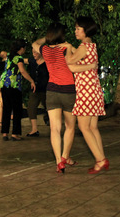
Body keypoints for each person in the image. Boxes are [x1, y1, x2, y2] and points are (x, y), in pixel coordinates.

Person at [32, 23, 79, 173]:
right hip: (68, 91)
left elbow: (35, 44)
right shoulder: (67, 47)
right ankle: (65, 156)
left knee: (55, 129)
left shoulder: (44, 49)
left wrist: (46, 40)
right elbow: (80, 57)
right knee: (70, 126)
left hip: (51, 91)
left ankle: (59, 161)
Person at [65, 16, 108, 173]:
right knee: (93, 127)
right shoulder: (91, 46)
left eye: (78, 28)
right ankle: (101, 158)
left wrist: (68, 48)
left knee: (84, 127)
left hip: (86, 91)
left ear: (85, 30)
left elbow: (70, 62)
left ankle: (101, 160)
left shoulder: (83, 47)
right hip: (94, 90)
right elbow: (80, 61)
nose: (75, 31)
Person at [0, 40, 36, 141]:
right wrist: (31, 81)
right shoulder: (18, 58)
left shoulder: (9, 56)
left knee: (6, 108)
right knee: (17, 109)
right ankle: (15, 133)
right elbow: (23, 71)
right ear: (21, 48)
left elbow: (2, 54)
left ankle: (5, 133)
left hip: (4, 84)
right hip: (13, 85)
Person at [25, 49, 48, 137]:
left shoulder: (47, 62)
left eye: (35, 52)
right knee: (31, 107)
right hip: (35, 89)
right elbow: (22, 60)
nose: (33, 54)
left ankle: (52, 124)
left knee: (49, 108)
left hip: (46, 89)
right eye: (32, 52)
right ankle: (34, 129)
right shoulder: (32, 60)